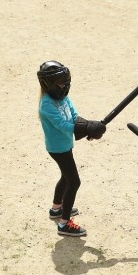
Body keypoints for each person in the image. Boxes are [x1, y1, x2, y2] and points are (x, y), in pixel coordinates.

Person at [37, 61, 106, 237]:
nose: (64, 86)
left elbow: (74, 117)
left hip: (65, 145)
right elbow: (63, 125)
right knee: (74, 181)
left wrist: (88, 127)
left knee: (66, 177)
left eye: (66, 83)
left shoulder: (64, 97)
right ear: (49, 84)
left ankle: (56, 209)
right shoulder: (47, 105)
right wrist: (85, 129)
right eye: (61, 83)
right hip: (57, 148)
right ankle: (64, 223)